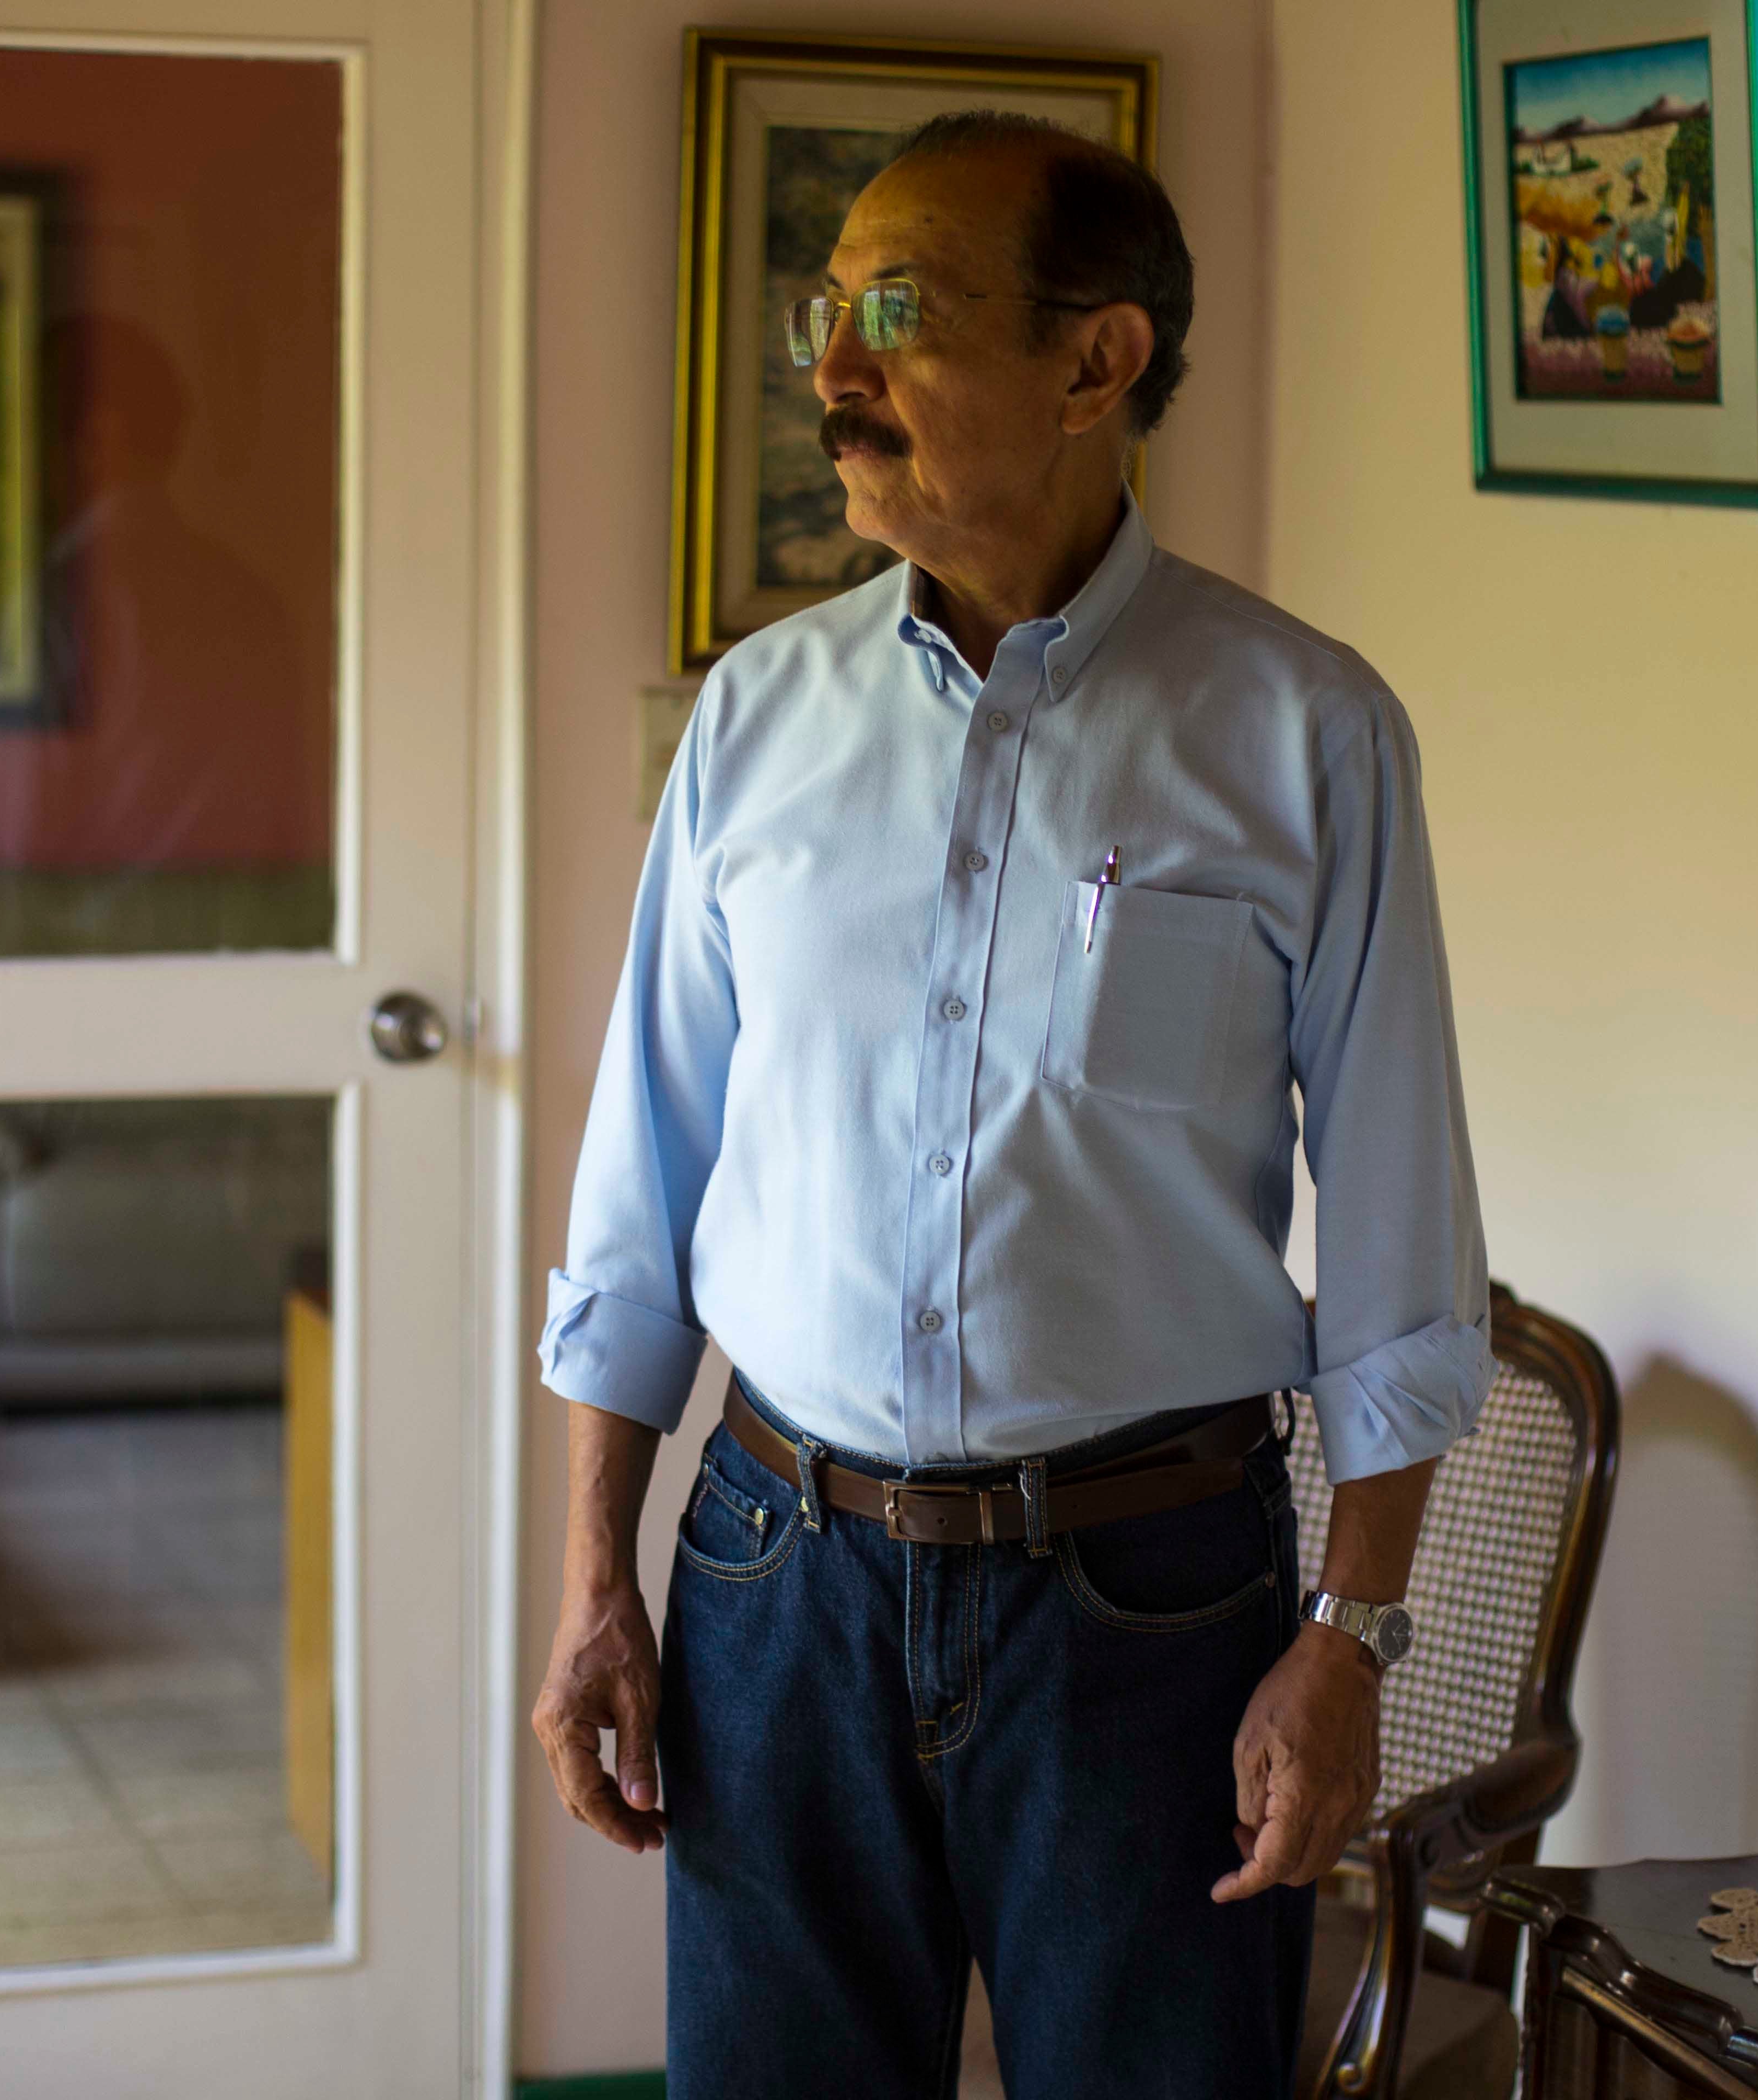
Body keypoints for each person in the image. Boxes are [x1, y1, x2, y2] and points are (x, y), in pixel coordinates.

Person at [532, 110, 1489, 2099]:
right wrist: (591, 1581)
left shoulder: (1304, 735)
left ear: (1094, 361)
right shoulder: (753, 719)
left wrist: (1353, 1647)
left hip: (1146, 1615)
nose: (836, 373)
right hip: (770, 1577)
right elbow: (642, 1194)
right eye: (831, 313)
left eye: (904, 313)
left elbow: (1404, 1259)